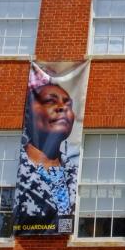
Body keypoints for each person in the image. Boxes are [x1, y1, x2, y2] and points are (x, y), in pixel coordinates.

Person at [15, 77, 79, 229]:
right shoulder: (13, 165)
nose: (62, 107)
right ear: (28, 114)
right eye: (50, 101)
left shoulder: (75, 172)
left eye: (68, 104)